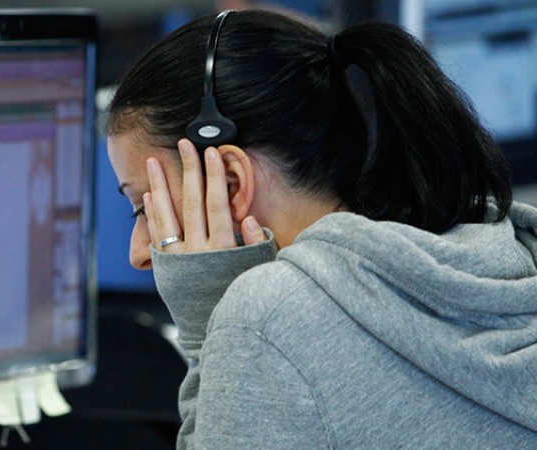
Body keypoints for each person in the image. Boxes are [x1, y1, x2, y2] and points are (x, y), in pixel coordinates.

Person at [105, 9, 537, 449]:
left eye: (143, 207)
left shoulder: (269, 319)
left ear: (230, 182)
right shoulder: (507, 243)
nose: (138, 252)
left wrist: (209, 327)